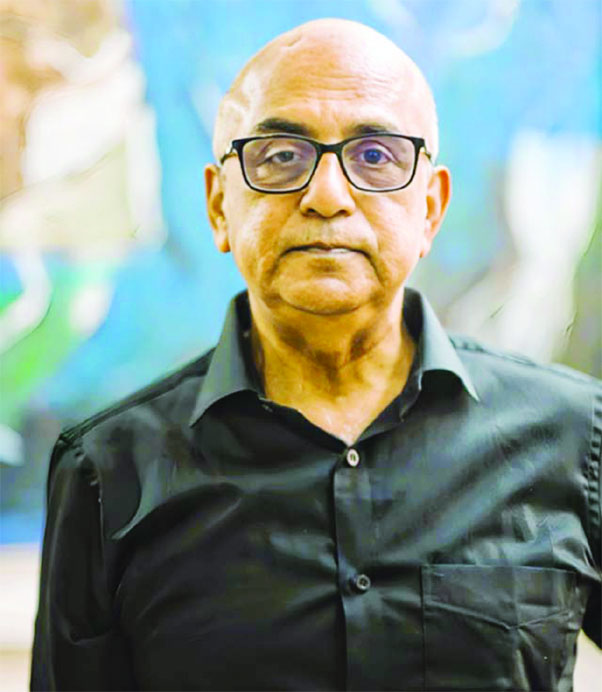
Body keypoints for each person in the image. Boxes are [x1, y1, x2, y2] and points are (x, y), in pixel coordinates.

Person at [31, 18, 601, 691]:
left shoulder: (576, 437)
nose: (327, 196)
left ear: (430, 208)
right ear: (218, 205)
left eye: (375, 156)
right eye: (280, 156)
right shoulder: (108, 468)